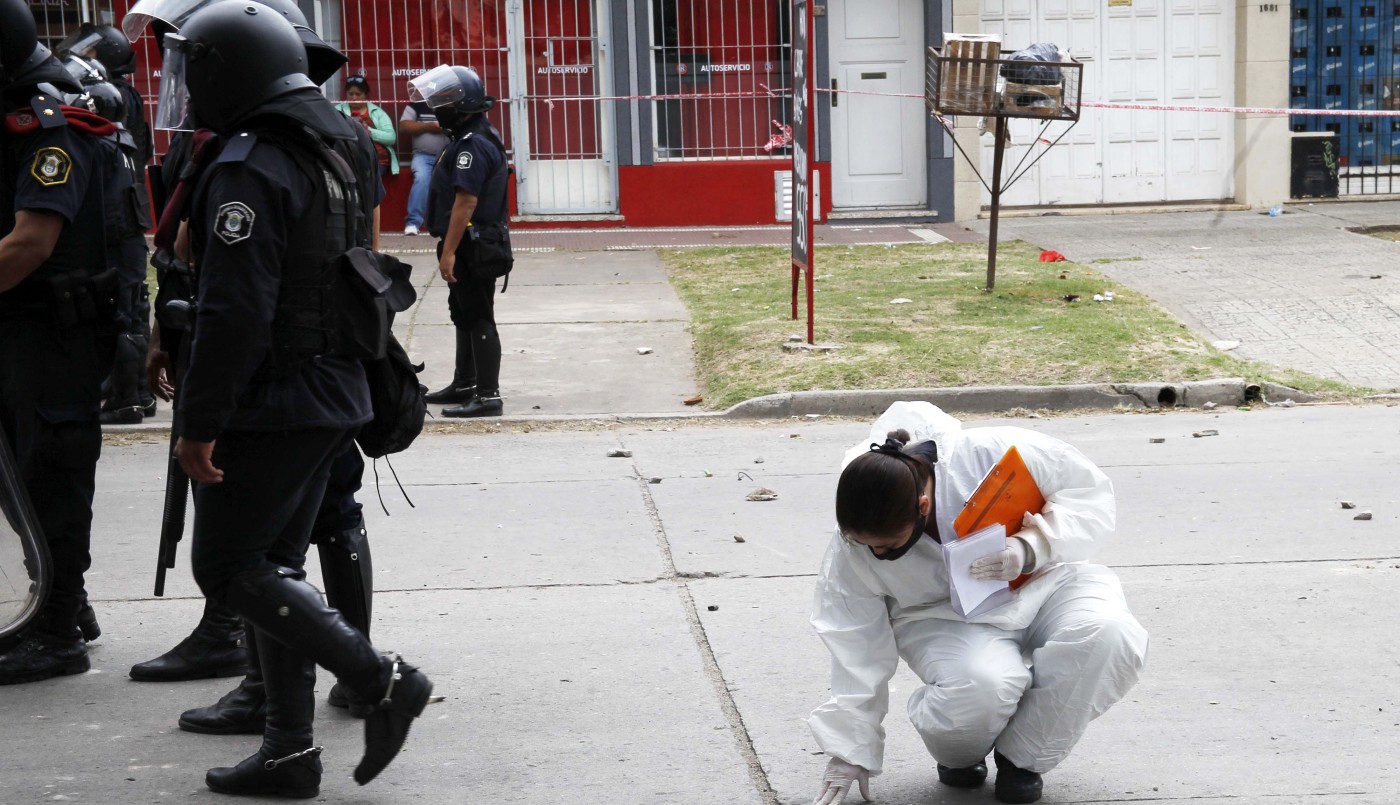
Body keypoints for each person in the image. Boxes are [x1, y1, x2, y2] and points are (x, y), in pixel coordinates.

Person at [145, 3, 430, 795]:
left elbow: (236, 309)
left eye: (192, 71)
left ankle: (381, 679)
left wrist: (198, 425)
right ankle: (288, 748)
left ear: (225, 71)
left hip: (274, 398)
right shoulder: (330, 140)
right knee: (274, 566)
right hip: (333, 386)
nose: (185, 89)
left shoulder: (247, 162)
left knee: (232, 568)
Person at [808, 401, 1149, 805]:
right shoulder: (852, 547)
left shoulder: (993, 454)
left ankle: (1023, 757)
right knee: (983, 686)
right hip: (941, 615)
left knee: (1110, 634)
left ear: (922, 506)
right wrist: (849, 749)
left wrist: (1032, 546)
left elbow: (1090, 497)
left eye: (887, 546)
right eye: (867, 546)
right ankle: (961, 756)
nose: (876, 554)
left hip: (1048, 581)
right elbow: (853, 642)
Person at [0, 0, 127, 684]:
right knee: (20, 478)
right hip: (23, 331)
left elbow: (30, 243)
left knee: (50, 476)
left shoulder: (49, 130)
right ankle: (61, 604)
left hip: (55, 335)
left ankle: (56, 633)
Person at [56, 23, 158, 426]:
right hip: (131, 218)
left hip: (113, 221)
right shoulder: (119, 108)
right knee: (133, 304)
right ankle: (138, 393)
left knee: (117, 307)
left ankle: (125, 395)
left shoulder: (108, 102)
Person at [416, 64, 510, 418]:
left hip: (473, 244)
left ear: (461, 105)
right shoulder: (467, 138)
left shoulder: (473, 144)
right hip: (470, 241)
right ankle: (465, 383)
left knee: (479, 315)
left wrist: (450, 252)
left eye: (444, 102)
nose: (438, 109)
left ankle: (488, 396)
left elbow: (466, 201)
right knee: (464, 314)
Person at [334, 74, 395, 248]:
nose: (353, 98)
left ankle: (372, 240)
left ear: (365, 95)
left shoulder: (376, 112)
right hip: (346, 159)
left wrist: (368, 131)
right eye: (350, 94)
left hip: (377, 162)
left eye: (358, 94)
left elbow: (391, 137)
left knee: (369, 188)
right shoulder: (337, 110)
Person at [398, 90, 448, 236]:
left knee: (455, 181)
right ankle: (413, 223)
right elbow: (404, 126)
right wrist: (428, 126)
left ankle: (449, 222)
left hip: (448, 154)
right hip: (423, 155)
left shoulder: (451, 105)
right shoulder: (416, 105)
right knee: (422, 178)